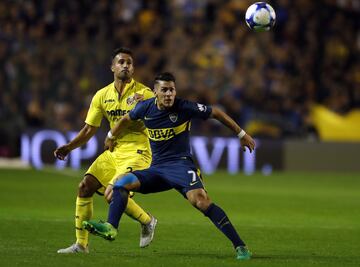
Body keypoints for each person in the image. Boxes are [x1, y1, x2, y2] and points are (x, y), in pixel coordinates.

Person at [82, 72, 256, 260]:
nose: (168, 94)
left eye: (171, 90)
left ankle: (240, 246)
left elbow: (216, 113)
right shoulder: (145, 108)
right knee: (120, 184)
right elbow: (125, 119)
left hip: (181, 166)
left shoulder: (184, 107)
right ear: (155, 92)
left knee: (202, 202)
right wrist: (110, 136)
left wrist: (242, 134)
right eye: (164, 90)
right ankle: (111, 227)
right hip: (157, 169)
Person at [54, 47, 157, 254]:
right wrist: (69, 147)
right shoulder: (102, 95)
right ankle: (81, 245)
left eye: (129, 62)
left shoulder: (144, 94)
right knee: (84, 187)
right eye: (121, 62)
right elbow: (89, 129)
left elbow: (158, 121)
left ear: (133, 68)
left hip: (138, 151)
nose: (125, 65)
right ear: (112, 67)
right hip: (114, 151)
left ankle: (147, 221)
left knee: (112, 194)